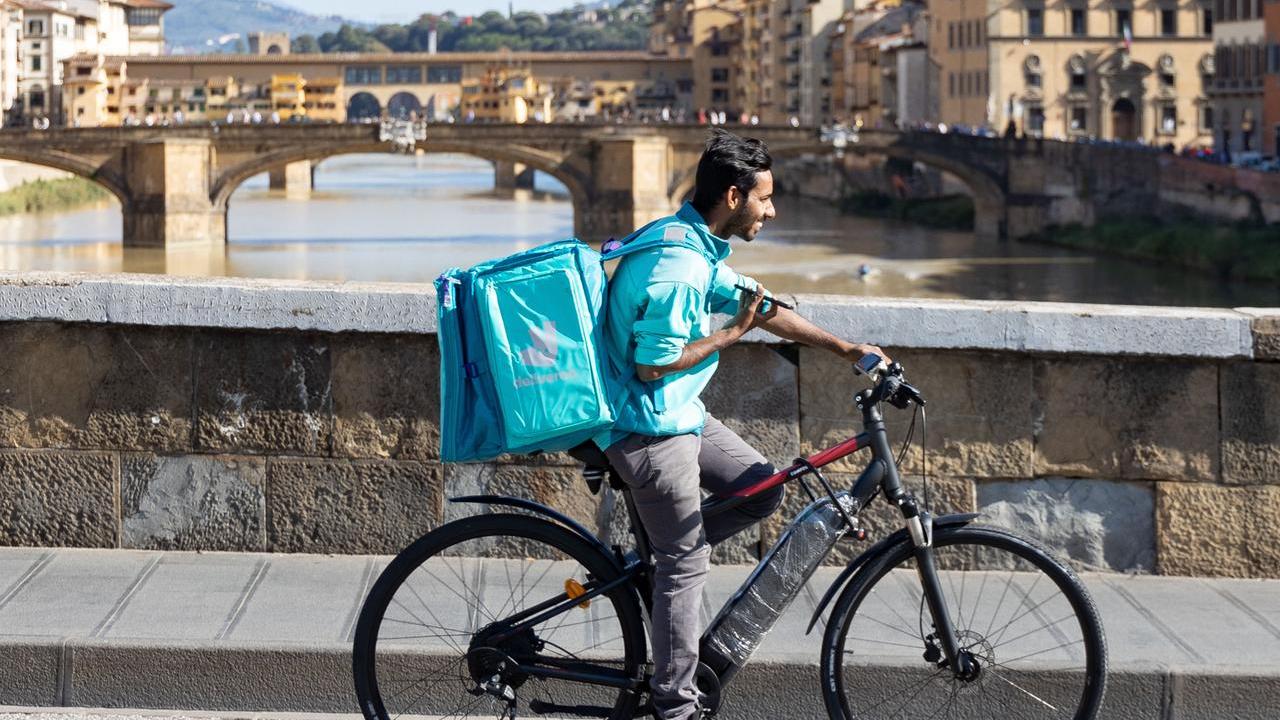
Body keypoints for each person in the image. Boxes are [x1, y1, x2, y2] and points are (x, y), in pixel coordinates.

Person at [597, 129, 890, 720]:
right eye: (765, 198)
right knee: (687, 564)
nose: (773, 209)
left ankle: (662, 556)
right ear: (734, 196)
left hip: (678, 416)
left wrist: (846, 348)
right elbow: (652, 366)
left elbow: (761, 304)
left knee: (763, 488)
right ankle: (674, 705)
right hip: (648, 426)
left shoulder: (689, 238)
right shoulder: (678, 266)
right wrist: (733, 334)